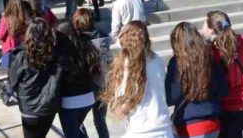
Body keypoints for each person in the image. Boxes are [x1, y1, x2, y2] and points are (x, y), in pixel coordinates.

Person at [101, 21, 174, 138]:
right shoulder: (157, 59)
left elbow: (125, 105)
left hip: (141, 129)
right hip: (163, 128)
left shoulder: (127, 66)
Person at [166, 22, 228, 138]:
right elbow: (223, 89)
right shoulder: (210, 57)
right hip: (213, 123)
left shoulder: (176, 64)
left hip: (189, 126)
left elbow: (172, 97)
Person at [8, 18, 67, 138]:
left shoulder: (22, 56)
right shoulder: (58, 53)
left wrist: (5, 95)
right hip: (49, 106)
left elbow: (12, 79)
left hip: (29, 107)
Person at [56, 21, 101, 138]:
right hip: (88, 98)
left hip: (69, 101)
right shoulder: (84, 44)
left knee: (72, 133)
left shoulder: (60, 51)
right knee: (78, 127)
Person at [72, 8, 111, 138]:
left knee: (76, 121)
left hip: (87, 86)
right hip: (103, 83)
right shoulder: (103, 36)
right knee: (100, 121)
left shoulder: (78, 40)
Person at [0, 0, 32, 65]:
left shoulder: (6, 19)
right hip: (23, 47)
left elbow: (0, 35)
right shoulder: (24, 17)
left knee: (11, 70)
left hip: (9, 49)